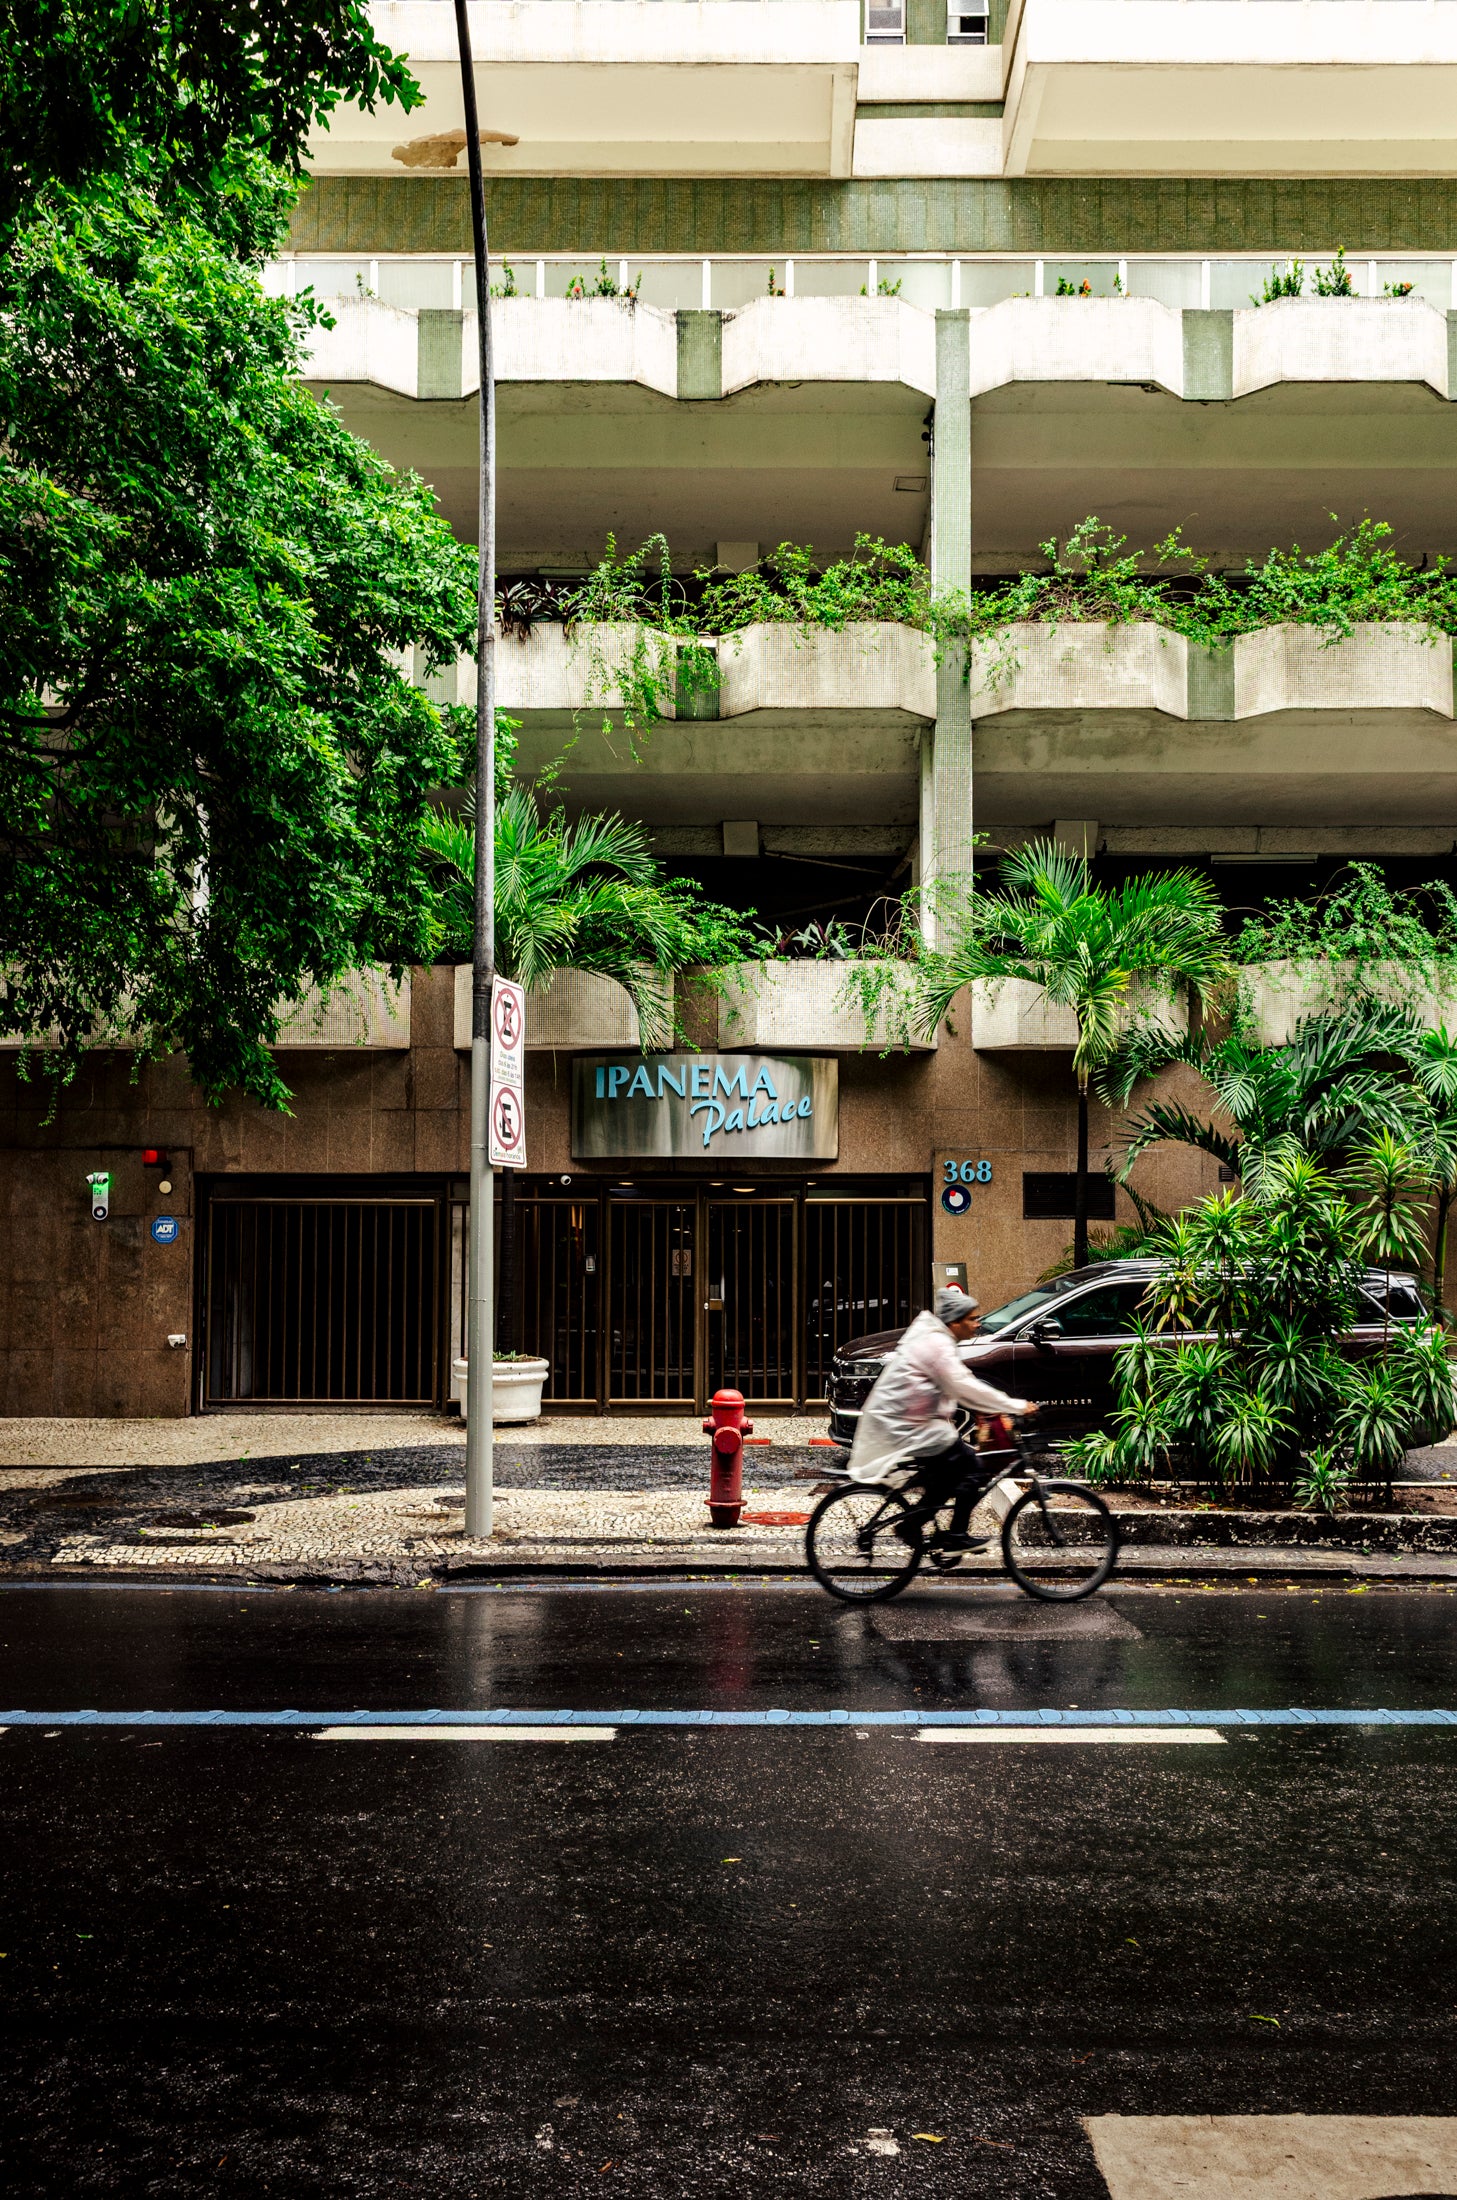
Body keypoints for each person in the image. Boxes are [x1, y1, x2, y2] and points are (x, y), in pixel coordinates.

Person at [846, 1286, 1037, 1548]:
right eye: (971, 1318)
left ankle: (913, 1525)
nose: (977, 1324)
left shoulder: (938, 1339)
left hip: (913, 1423)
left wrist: (993, 1404)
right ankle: (954, 1534)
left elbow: (960, 1384)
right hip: (908, 1426)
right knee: (973, 1466)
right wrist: (1014, 1405)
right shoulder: (936, 1345)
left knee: (947, 1477)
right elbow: (963, 1386)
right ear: (954, 1321)